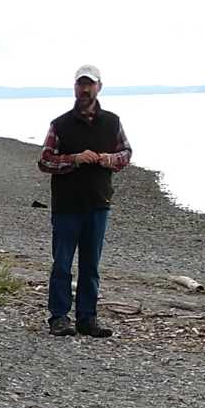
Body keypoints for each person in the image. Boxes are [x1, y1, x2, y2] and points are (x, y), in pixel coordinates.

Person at [39, 65, 131, 335]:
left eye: (89, 84)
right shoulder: (60, 124)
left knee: (91, 265)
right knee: (62, 264)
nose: (85, 89)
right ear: (75, 87)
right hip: (67, 205)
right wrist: (75, 159)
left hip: (98, 203)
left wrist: (109, 159)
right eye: (81, 84)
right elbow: (44, 160)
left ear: (99, 87)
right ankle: (58, 317)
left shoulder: (112, 121)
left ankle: (87, 318)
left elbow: (126, 152)